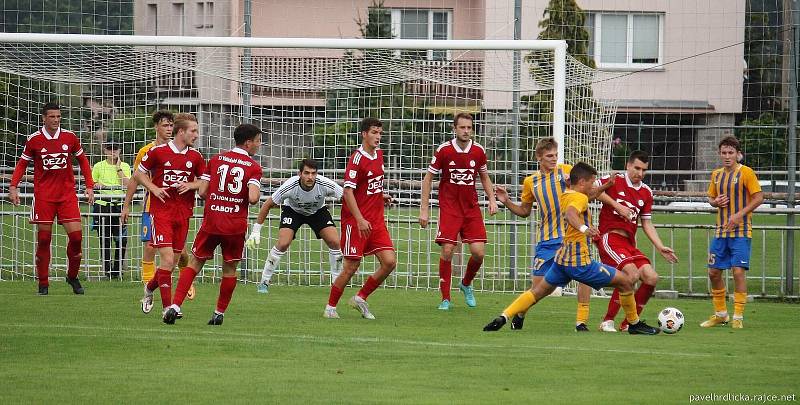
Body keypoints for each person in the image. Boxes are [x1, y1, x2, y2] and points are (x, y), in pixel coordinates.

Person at [482, 162, 660, 335]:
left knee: (537, 292)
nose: (593, 187)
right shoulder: (579, 198)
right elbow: (571, 214)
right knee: (626, 281)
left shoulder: (567, 194)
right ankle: (633, 324)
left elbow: (586, 198)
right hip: (579, 262)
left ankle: (503, 316)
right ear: (582, 183)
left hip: (562, 259)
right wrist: (584, 229)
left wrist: (607, 185)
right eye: (591, 183)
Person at [162, 123, 264, 325]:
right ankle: (219, 313)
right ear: (248, 142)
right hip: (234, 225)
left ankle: (175, 306)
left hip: (212, 220)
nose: (259, 145)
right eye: (258, 141)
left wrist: (219, 198)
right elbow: (253, 198)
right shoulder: (253, 167)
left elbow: (201, 191)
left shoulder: (216, 159)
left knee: (195, 263)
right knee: (229, 269)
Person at [494, 137, 596, 331]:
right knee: (540, 288)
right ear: (539, 157)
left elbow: (586, 189)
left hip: (571, 237)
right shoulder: (530, 182)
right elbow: (525, 211)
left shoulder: (567, 171)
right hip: (547, 240)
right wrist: (506, 201)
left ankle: (581, 322)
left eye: (556, 155)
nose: (554, 158)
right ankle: (521, 312)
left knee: (585, 276)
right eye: (549, 155)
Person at [8, 102, 94, 295]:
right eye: (52, 117)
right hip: (44, 197)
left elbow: (83, 160)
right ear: (44, 118)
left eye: (58, 117)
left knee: (77, 238)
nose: (56, 120)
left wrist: (89, 186)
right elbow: (22, 164)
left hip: (67, 196)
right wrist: (13, 186)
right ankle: (43, 283)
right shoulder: (34, 140)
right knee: (44, 239)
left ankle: (72, 276)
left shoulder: (70, 137)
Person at [419, 112, 498, 310]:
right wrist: (424, 209)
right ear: (454, 129)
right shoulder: (444, 150)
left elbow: (484, 177)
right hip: (450, 207)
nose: (466, 131)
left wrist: (492, 199)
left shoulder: (478, 151)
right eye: (462, 127)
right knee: (447, 250)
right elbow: (428, 179)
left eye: (469, 128)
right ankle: (445, 298)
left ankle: (465, 284)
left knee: (478, 253)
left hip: (471, 208)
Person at [595, 150, 678, 332]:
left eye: (644, 170)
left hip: (629, 244)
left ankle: (629, 323)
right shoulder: (614, 180)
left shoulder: (646, 192)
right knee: (631, 276)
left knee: (651, 277)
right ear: (628, 165)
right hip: (610, 237)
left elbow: (646, 223)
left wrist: (660, 246)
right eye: (637, 168)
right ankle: (607, 321)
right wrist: (617, 206)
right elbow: (591, 191)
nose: (640, 174)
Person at [324, 117, 396, 319]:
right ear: (364, 134)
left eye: (380, 133)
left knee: (389, 262)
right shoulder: (357, 158)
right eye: (374, 132)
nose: (378, 137)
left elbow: (368, 186)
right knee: (351, 267)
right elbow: (348, 192)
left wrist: (381, 195)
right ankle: (330, 307)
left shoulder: (379, 155)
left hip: (376, 221)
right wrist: (360, 219)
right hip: (356, 222)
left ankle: (360, 297)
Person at [134, 113, 205, 317]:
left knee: (172, 263)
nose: (196, 135)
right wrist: (154, 189)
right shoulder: (157, 152)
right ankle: (168, 309)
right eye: (193, 131)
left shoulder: (196, 157)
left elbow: (205, 182)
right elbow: (138, 174)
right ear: (181, 132)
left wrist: (191, 184)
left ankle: (149, 289)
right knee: (166, 260)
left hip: (183, 213)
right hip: (161, 212)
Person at [121, 110, 195, 304]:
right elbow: (135, 179)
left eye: (171, 125)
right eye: (165, 125)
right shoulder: (148, 151)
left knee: (179, 254)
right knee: (150, 246)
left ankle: (183, 276)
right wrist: (126, 205)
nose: (169, 129)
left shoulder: (190, 153)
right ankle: (148, 287)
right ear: (156, 127)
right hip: (152, 207)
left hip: (178, 209)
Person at [245, 158, 344, 293]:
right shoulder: (290, 186)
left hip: (317, 211)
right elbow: (267, 204)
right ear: (300, 174)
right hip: (293, 211)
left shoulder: (325, 184)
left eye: (313, 173)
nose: (310, 177)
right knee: (283, 243)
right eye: (306, 173)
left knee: (334, 241)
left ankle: (336, 283)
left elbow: (347, 196)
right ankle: (264, 282)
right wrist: (256, 231)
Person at [701, 136, 763, 329]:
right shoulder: (716, 175)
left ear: (738, 154)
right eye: (724, 153)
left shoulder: (746, 173)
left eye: (731, 153)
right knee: (713, 272)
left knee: (738, 272)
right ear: (719, 154)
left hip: (741, 232)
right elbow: (711, 198)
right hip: (720, 232)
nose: (727, 156)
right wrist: (715, 202)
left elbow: (759, 197)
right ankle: (721, 314)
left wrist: (738, 215)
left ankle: (738, 316)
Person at [91, 141, 131, 279]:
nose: (112, 152)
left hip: (119, 206)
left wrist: (119, 169)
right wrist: (97, 184)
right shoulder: (98, 166)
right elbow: (92, 183)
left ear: (119, 151)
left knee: (121, 239)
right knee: (104, 239)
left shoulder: (125, 166)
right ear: (105, 151)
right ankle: (107, 271)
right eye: (109, 149)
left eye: (115, 149)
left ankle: (117, 270)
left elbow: (127, 185)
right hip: (103, 205)